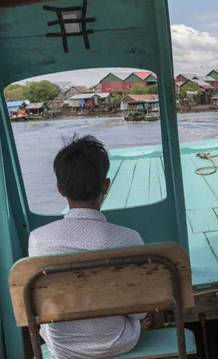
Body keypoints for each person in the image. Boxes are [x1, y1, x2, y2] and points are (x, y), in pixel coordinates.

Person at [29, 135, 148, 359]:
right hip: (119, 342)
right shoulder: (128, 239)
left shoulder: (38, 239)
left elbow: (40, 306)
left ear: (60, 189)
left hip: (62, 348)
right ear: (106, 186)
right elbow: (139, 310)